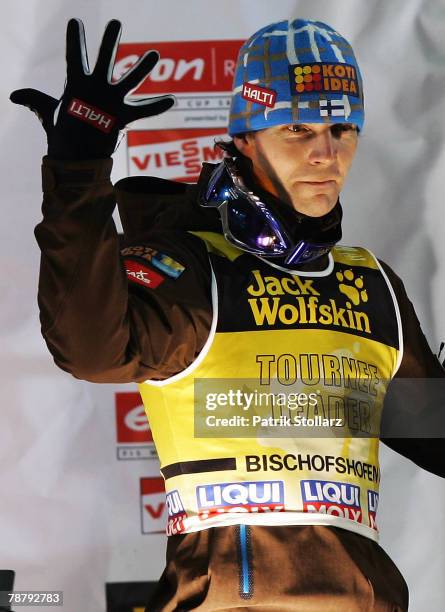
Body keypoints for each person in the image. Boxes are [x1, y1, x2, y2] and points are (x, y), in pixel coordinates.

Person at [11, 16, 445, 612]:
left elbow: (435, 434)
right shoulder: (190, 267)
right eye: (297, 127)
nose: (326, 153)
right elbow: (89, 349)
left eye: (343, 129)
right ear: (246, 136)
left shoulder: (370, 286)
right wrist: (79, 170)